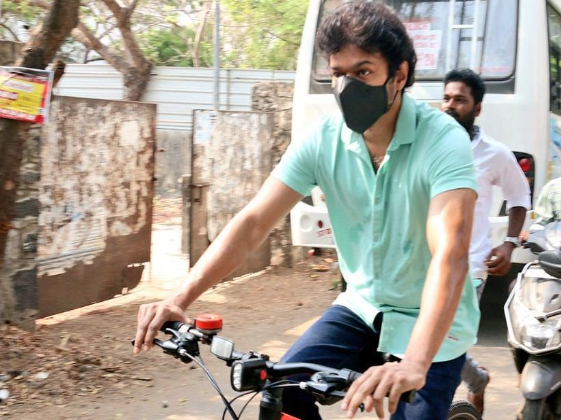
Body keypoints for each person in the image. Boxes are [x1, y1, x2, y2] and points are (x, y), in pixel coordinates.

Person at [133, 3, 480, 420]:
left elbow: (451, 252)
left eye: (364, 72)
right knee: (282, 391)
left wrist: (414, 364)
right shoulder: (322, 140)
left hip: (431, 325)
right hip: (362, 306)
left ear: (400, 76)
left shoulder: (443, 141)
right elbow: (253, 221)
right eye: (338, 74)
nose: (348, 87)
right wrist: (178, 298)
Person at [441, 68, 530, 414]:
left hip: (471, 266)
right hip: (424, 264)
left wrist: (509, 243)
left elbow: (520, 196)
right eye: (447, 98)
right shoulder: (425, 144)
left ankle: (441, 406)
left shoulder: (494, 153)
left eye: (459, 100)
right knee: (422, 338)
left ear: (477, 108)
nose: (450, 106)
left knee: (445, 341)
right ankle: (476, 379)